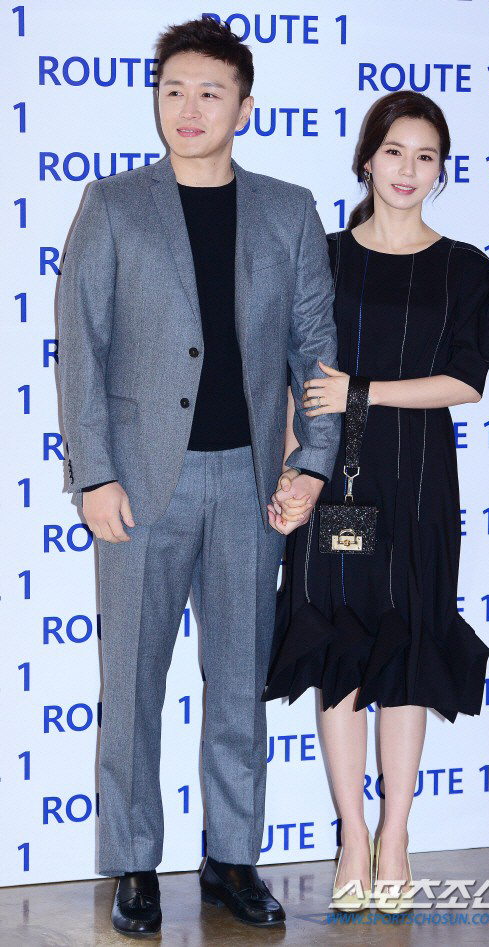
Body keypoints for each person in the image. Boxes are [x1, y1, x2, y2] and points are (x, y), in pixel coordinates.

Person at [58, 18, 339, 935]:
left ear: (244, 108)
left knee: (238, 684)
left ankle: (232, 857)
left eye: (210, 92)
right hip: (142, 489)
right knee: (134, 684)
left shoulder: (289, 210)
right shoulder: (113, 205)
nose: (189, 108)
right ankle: (135, 862)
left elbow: (315, 351)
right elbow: (82, 348)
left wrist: (312, 463)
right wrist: (95, 473)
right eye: (173, 89)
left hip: (253, 486)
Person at [264, 90, 489, 915]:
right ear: (367, 158)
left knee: (408, 646)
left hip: (421, 480)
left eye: (425, 156)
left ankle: (396, 833)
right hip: (335, 477)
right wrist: (292, 472)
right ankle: (353, 832)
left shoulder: (468, 268)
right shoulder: (323, 257)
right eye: (394, 151)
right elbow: (296, 377)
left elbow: (465, 381)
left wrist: (360, 390)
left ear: (441, 170)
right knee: (337, 648)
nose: (408, 169)